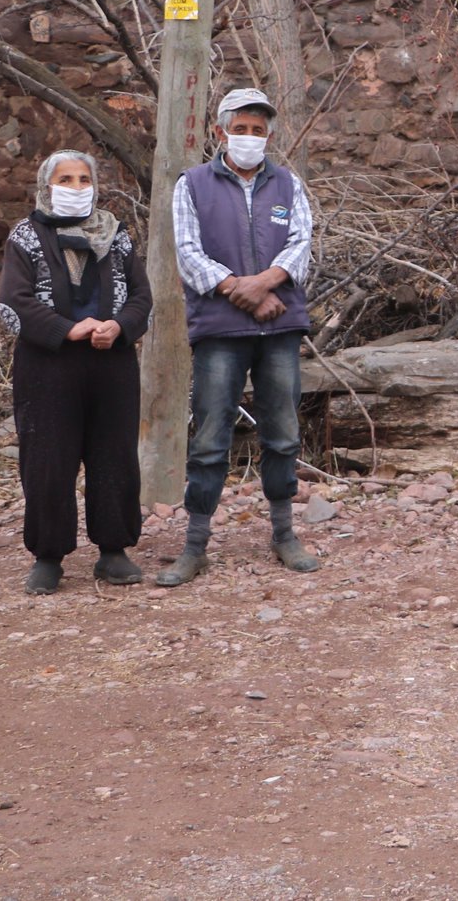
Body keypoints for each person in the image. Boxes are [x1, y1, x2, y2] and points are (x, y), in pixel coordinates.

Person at [157, 88, 321, 586]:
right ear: (219, 132)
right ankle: (195, 544)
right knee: (209, 436)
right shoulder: (193, 185)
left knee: (283, 432)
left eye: (258, 129)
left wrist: (266, 283)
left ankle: (283, 533)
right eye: (240, 128)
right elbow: (187, 251)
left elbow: (301, 242)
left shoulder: (288, 184)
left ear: (269, 135)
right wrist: (240, 290)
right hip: (220, 330)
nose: (250, 137)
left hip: (279, 326)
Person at [0, 150, 154, 594]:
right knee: (48, 460)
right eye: (65, 178)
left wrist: (119, 326)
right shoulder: (25, 237)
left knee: (114, 456)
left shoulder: (116, 235)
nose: (76, 187)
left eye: (84, 179)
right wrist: (67, 329)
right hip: (48, 367)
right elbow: (13, 303)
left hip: (111, 363)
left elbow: (142, 297)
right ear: (47, 186)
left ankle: (114, 550)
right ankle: (48, 556)